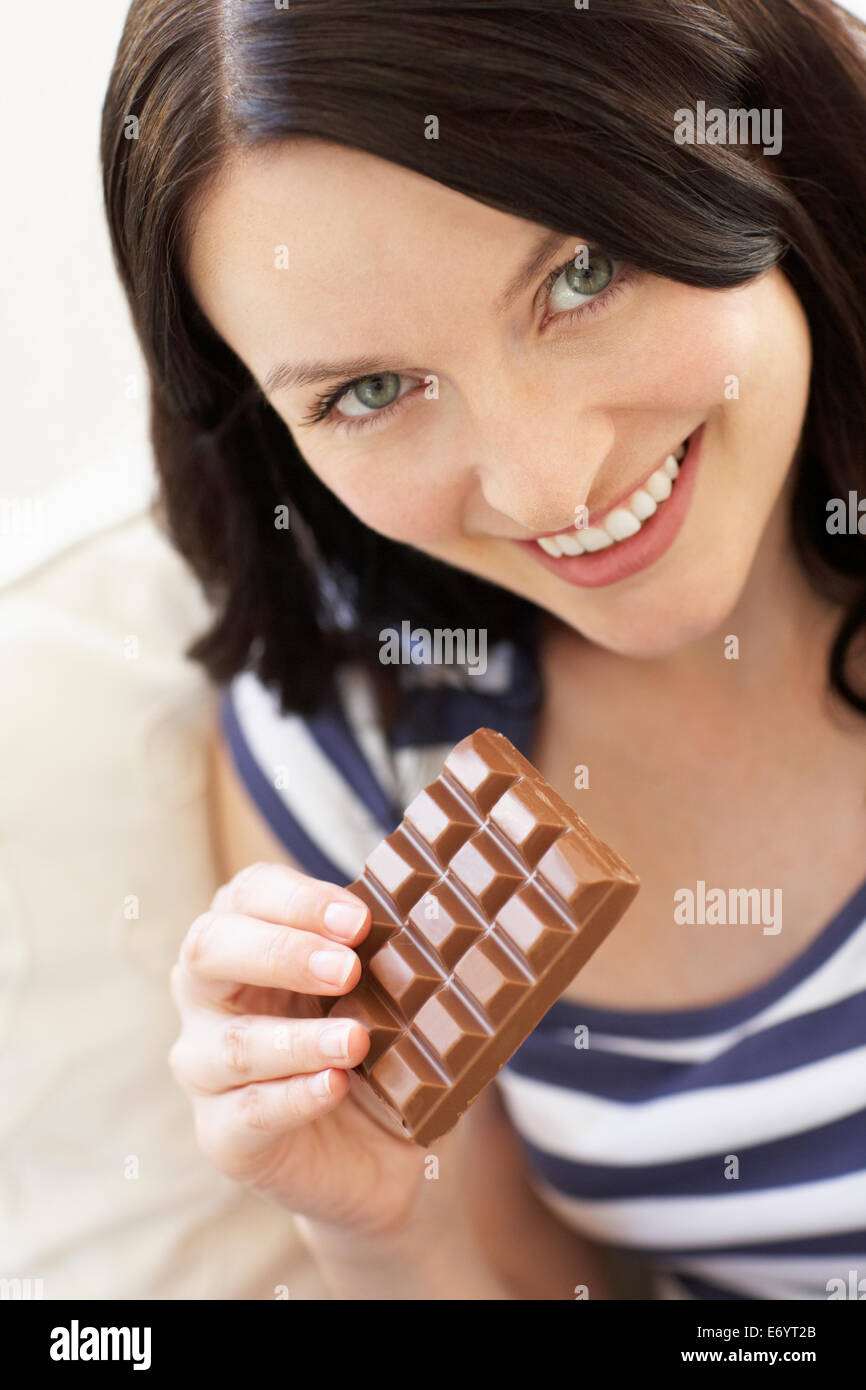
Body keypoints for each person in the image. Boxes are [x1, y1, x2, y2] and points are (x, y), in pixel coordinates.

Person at [100, 0, 866, 1299]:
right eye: (369, 391)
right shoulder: (346, 750)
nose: (542, 482)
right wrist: (383, 1232)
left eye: (579, 273)